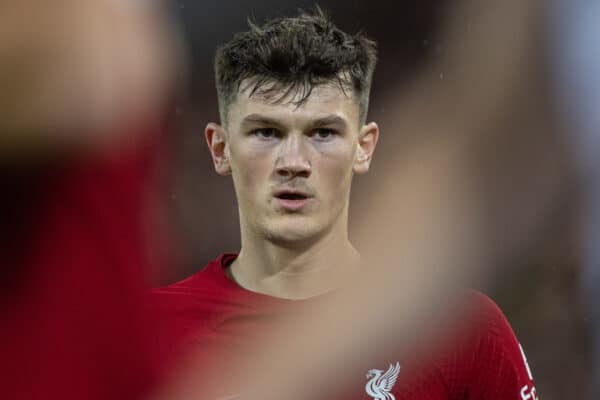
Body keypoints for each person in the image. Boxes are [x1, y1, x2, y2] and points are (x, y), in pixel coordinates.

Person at [149, 9, 539, 399]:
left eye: (323, 133)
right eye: (266, 132)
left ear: (363, 147)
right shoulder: (146, 330)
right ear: (220, 149)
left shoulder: (464, 332)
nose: (294, 163)